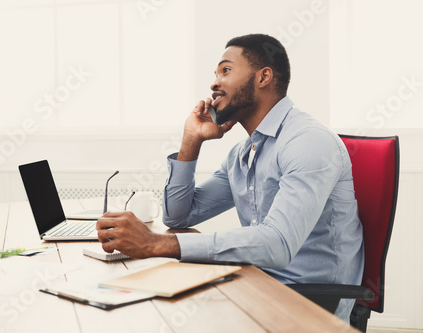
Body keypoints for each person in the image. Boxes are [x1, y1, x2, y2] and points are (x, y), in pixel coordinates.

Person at [96, 33, 364, 322]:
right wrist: (191, 141)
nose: (213, 83)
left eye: (225, 70)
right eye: (215, 74)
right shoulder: (242, 153)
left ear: (263, 77)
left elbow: (278, 244)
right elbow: (179, 217)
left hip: (310, 300)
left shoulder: (307, 141)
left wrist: (156, 244)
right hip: (256, 281)